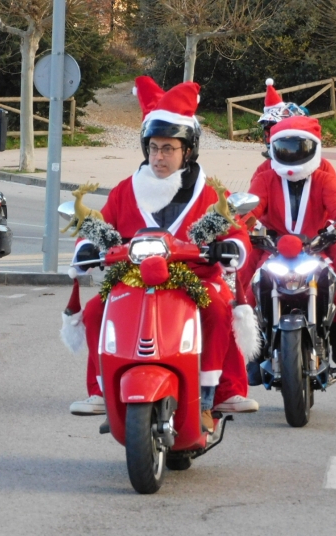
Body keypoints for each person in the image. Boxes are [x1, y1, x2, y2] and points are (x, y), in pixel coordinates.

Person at [66, 77, 259, 431]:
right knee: (95, 312)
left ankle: (211, 394)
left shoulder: (209, 193)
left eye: (168, 148)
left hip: (197, 279)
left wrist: (231, 246)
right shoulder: (127, 190)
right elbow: (98, 224)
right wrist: (87, 247)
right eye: (153, 148)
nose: (159, 156)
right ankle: (102, 392)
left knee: (218, 309)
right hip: (134, 279)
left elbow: (236, 229)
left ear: (187, 150)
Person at [240, 115, 336, 380]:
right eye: (285, 148)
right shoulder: (266, 178)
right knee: (252, 285)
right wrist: (239, 223)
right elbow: (253, 207)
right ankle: (252, 352)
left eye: (299, 147)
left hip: (315, 247)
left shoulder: (323, 178)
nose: (292, 154)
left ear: (314, 146)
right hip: (275, 247)